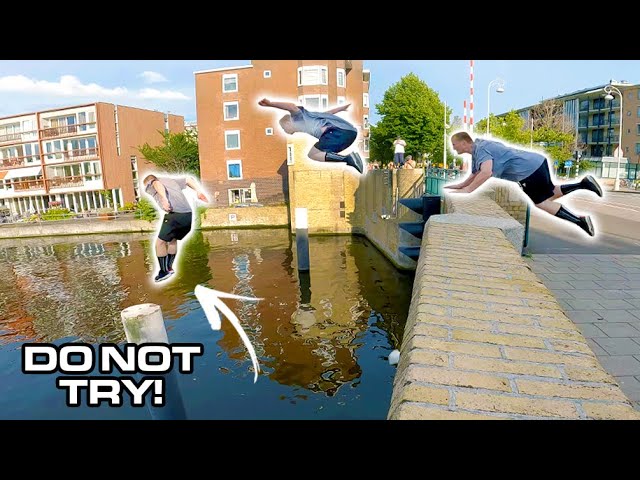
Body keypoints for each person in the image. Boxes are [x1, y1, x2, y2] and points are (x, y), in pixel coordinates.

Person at [446, 132, 602, 237]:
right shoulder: (478, 150)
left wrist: (468, 191)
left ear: (465, 142)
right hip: (537, 162)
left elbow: (486, 172)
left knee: (541, 203)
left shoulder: (480, 150)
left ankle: (580, 221)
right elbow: (475, 174)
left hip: (527, 171)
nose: (453, 148)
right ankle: (584, 184)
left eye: (454, 144)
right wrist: (460, 186)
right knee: (551, 193)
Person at [258, 98, 363, 174]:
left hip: (338, 133)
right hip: (350, 134)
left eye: (284, 128)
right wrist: (341, 109)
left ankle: (348, 159)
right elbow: (327, 113)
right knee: (323, 153)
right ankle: (350, 158)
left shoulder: (297, 119)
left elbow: (292, 107)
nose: (285, 131)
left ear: (288, 123)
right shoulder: (310, 118)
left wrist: (270, 104)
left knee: (313, 154)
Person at [143, 174, 209, 282]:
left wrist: (164, 199)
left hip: (175, 214)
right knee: (173, 240)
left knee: (160, 243)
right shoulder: (171, 180)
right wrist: (198, 191)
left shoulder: (152, 183)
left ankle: (163, 272)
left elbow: (156, 183)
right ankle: (169, 267)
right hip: (187, 215)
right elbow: (188, 179)